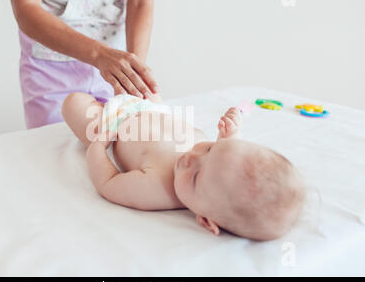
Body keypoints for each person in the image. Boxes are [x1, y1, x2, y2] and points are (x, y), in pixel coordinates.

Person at [61, 92, 306, 241]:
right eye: (209, 149)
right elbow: (226, 162)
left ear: (206, 220)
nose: (191, 157)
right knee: (145, 82)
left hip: (113, 125)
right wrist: (230, 135)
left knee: (74, 103)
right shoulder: (219, 170)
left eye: (196, 176)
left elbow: (107, 183)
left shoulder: (158, 190)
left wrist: (98, 146)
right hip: (154, 109)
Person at [5, 0, 158, 129]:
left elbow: (140, 1)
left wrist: (133, 75)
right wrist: (100, 56)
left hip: (116, 62)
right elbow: (26, 8)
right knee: (56, 145)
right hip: (51, 64)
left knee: (124, 137)